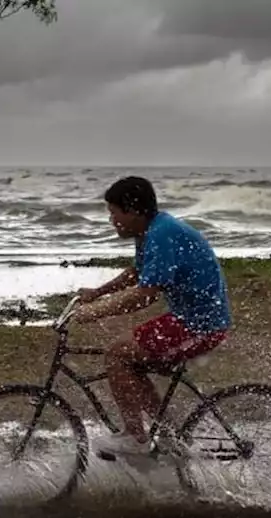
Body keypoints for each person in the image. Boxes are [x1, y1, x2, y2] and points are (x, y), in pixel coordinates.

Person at [71, 176, 232, 459]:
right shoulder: (150, 232)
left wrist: (95, 311)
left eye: (113, 213)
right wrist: (97, 293)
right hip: (188, 319)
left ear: (132, 210)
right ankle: (171, 436)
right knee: (130, 360)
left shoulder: (161, 234)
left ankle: (136, 439)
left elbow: (146, 294)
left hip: (201, 325)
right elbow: (137, 273)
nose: (112, 220)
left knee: (118, 354)